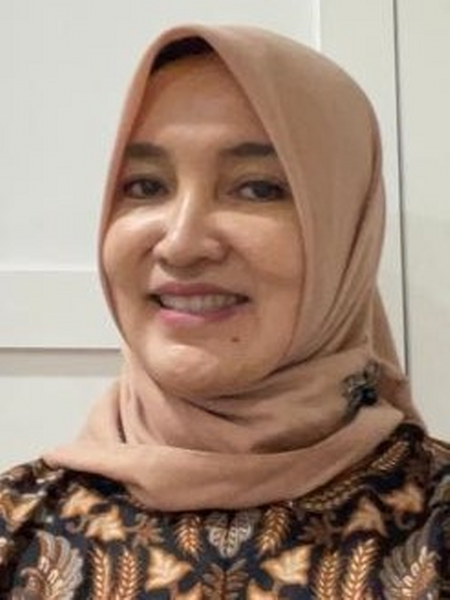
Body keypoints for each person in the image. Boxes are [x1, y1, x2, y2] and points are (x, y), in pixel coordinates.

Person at [0, 24, 449, 599]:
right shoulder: (18, 527)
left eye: (257, 188)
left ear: (345, 231)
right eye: (145, 186)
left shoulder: (434, 527)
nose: (181, 244)